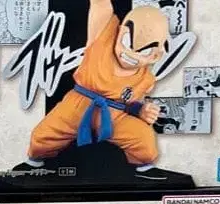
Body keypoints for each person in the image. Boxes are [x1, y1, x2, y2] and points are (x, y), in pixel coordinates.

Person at [24, 0, 170, 180]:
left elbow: (131, 105)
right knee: (44, 134)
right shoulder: (103, 38)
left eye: (144, 51)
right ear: (120, 31)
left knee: (143, 138)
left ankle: (144, 167)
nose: (130, 53)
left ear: (156, 55)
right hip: (77, 105)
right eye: (127, 41)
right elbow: (101, 6)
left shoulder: (146, 79)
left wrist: (141, 110)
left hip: (114, 115)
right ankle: (34, 162)